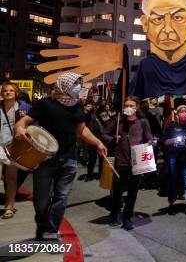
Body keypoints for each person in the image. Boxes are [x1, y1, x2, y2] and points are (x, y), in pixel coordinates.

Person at [13, 73, 108, 240]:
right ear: (64, 85)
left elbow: (82, 130)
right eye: (75, 84)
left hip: (69, 158)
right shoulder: (45, 104)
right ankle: (42, 221)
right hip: (44, 158)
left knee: (61, 197)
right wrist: (20, 129)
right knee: (41, 200)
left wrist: (98, 143)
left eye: (79, 84)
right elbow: (23, 122)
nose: (78, 87)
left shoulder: (77, 107)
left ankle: (51, 229)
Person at [102, 96, 153, 230]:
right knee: (117, 190)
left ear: (137, 107)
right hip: (121, 161)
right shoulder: (118, 121)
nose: (128, 108)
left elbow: (149, 137)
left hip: (137, 162)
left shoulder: (143, 122)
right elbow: (104, 134)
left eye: (131, 105)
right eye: (126, 105)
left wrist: (149, 142)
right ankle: (114, 214)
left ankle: (127, 218)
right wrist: (114, 138)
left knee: (133, 192)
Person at [1, 82, 24, 219]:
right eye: (5, 90)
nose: (7, 92)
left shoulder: (23, 108)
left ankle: (9, 206)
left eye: (11, 90)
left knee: (11, 178)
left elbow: (32, 125)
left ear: (16, 93)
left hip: (14, 147)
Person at [84, 100, 104, 181]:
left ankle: (100, 174)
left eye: (91, 106)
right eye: (88, 106)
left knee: (101, 158)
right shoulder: (84, 115)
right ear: (85, 107)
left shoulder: (95, 114)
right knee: (92, 158)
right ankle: (89, 175)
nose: (90, 107)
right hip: (91, 138)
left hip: (99, 137)